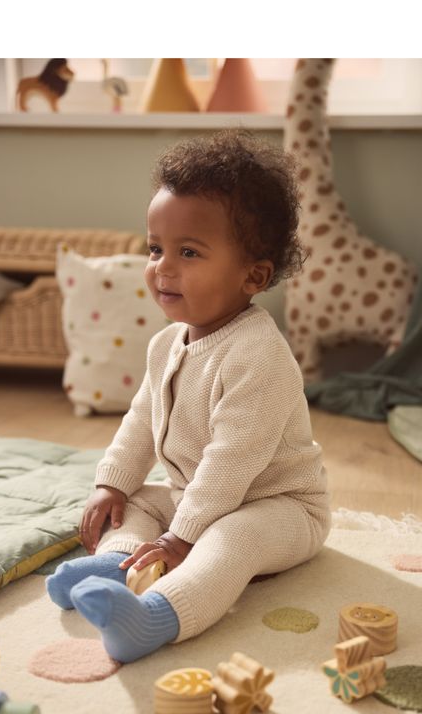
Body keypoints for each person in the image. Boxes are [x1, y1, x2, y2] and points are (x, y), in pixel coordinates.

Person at [47, 129, 331, 662]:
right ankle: (118, 566)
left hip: (278, 507)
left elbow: (231, 462)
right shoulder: (166, 344)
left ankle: (158, 615)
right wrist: (112, 482)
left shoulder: (259, 356)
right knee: (134, 503)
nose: (163, 267)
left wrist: (183, 538)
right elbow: (140, 420)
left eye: (189, 252)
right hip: (195, 495)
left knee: (232, 541)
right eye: (155, 248)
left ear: (254, 274)